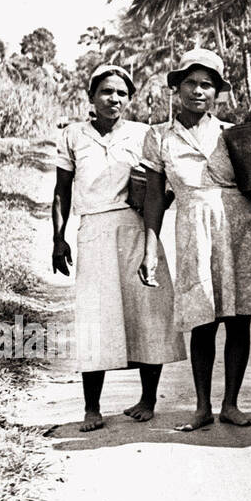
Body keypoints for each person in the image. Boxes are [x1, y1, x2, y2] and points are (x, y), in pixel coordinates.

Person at [52, 64, 184, 431]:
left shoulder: (144, 134)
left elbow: (163, 186)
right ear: (91, 96)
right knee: (95, 318)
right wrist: (58, 238)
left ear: (130, 98)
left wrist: (154, 218)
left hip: (135, 228)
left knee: (148, 310)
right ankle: (92, 408)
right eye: (107, 92)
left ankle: (147, 399)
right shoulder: (73, 135)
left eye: (122, 93)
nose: (115, 99)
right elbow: (62, 191)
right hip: (93, 229)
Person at [139, 48, 251, 432]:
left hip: (238, 226)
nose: (197, 91)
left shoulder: (232, 134)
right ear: (177, 88)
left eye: (206, 84)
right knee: (202, 319)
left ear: (217, 92)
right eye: (190, 82)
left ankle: (231, 404)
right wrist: (149, 248)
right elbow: (157, 196)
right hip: (192, 228)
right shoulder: (158, 136)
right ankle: (202, 406)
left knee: (238, 320)